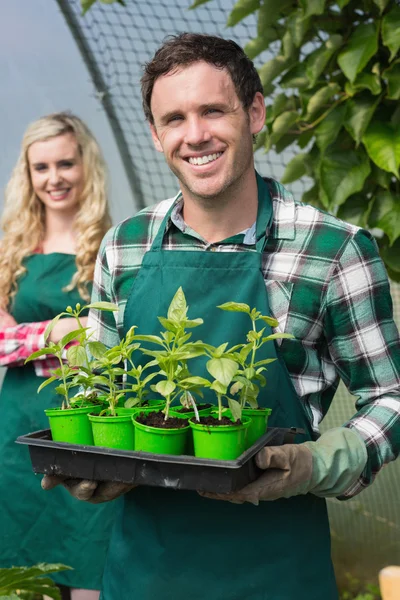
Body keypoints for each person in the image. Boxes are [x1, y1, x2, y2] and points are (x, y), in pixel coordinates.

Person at [42, 35, 400, 599]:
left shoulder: (332, 248)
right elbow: (106, 387)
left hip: (276, 570)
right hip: (145, 570)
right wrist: (94, 464)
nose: (195, 134)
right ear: (156, 136)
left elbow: (391, 397)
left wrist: (317, 462)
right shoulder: (126, 244)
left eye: (213, 110)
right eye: (175, 118)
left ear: (255, 113)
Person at [0, 112, 116, 600]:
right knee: (27, 578)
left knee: (91, 568)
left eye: (65, 163)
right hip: (20, 428)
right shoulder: (11, 251)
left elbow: (110, 339)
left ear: (86, 164)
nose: (54, 178)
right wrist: (61, 332)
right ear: (27, 175)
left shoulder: (113, 245)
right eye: (41, 167)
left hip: (91, 424)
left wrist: (31, 336)